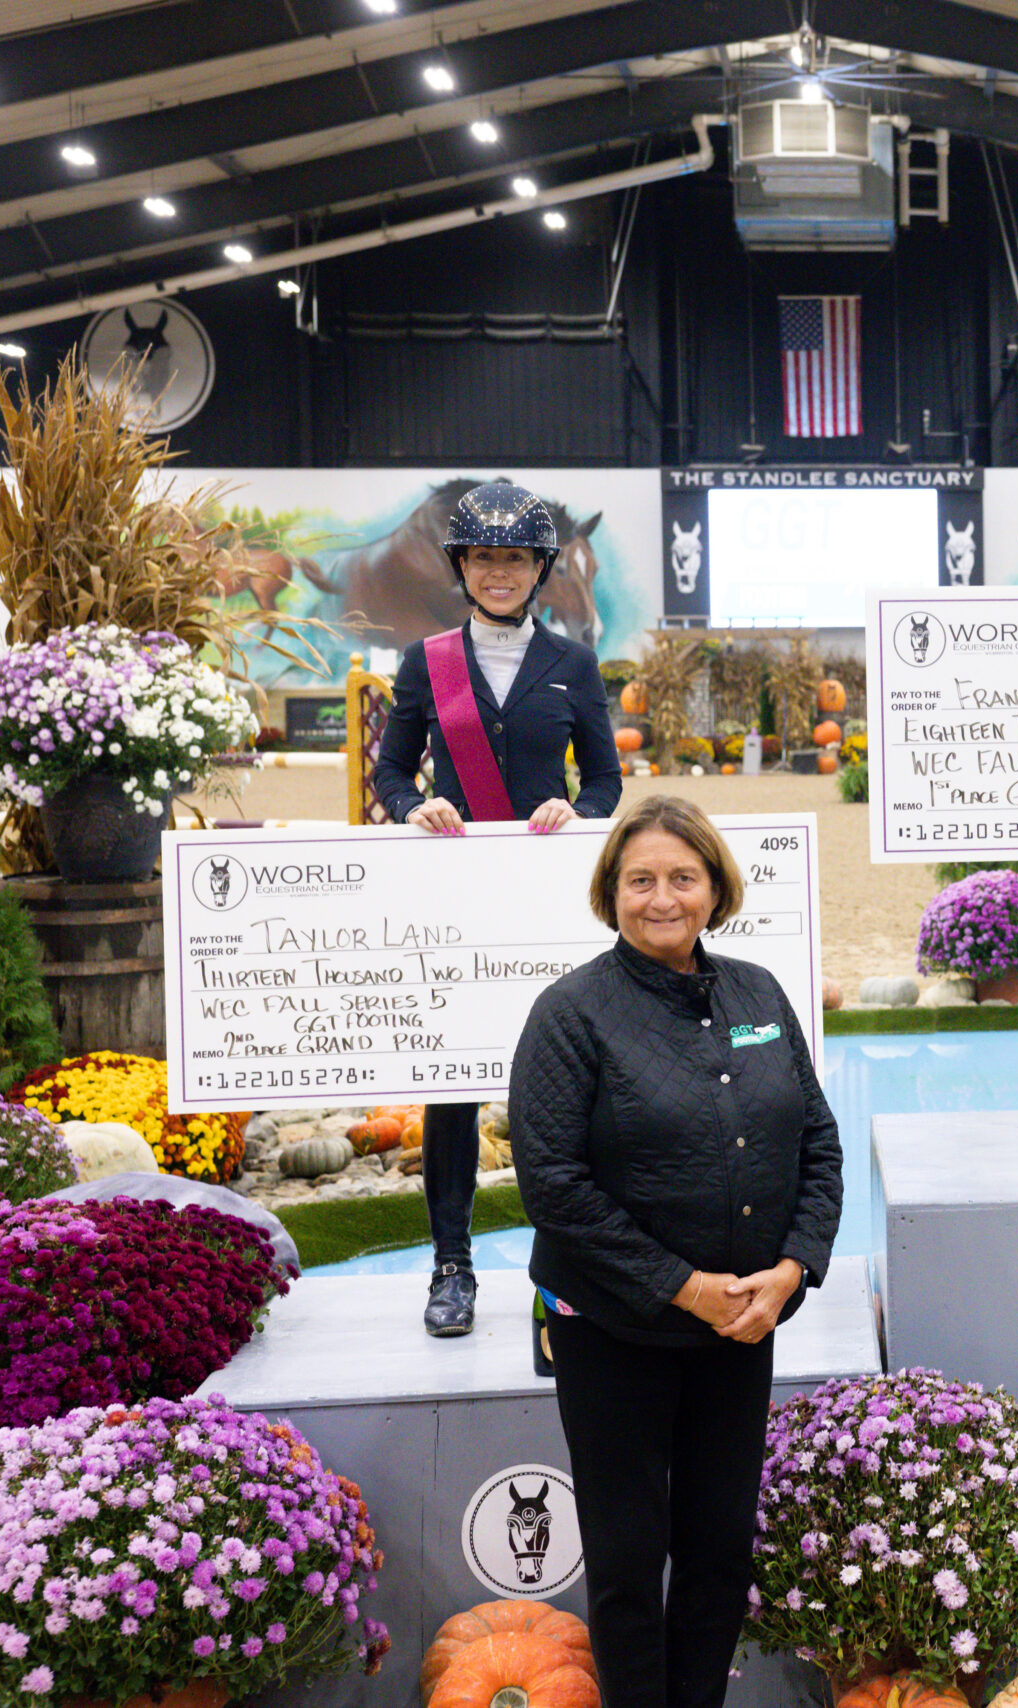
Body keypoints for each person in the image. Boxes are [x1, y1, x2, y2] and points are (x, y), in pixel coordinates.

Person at [509, 795, 842, 1708]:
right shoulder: (570, 1013)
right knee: (627, 1562)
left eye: (683, 878)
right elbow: (552, 1186)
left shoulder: (759, 994)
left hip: (740, 1328)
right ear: (611, 893)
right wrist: (682, 1286)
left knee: (718, 1552)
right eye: (641, 880)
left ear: (716, 889)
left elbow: (817, 1141)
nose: (663, 898)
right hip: (613, 1330)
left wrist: (793, 1269)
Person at [372, 480, 623, 1336]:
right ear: (463, 566)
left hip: (547, 896)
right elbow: (391, 770)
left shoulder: (575, 666)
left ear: (541, 568)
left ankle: (569, 1268)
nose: (500, 572)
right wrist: (413, 807)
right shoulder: (426, 661)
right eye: (484, 557)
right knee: (452, 1088)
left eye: (515, 558)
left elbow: (605, 780)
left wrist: (579, 814)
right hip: (458, 894)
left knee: (564, 1088)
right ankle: (452, 1266)